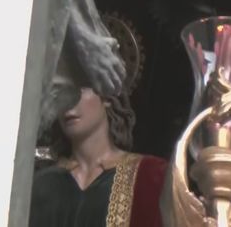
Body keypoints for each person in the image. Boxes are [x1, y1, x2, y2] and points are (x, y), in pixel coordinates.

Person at [31, 87, 166, 226]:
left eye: (81, 86)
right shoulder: (40, 184)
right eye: (60, 90)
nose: (68, 100)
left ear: (106, 95)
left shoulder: (151, 176)